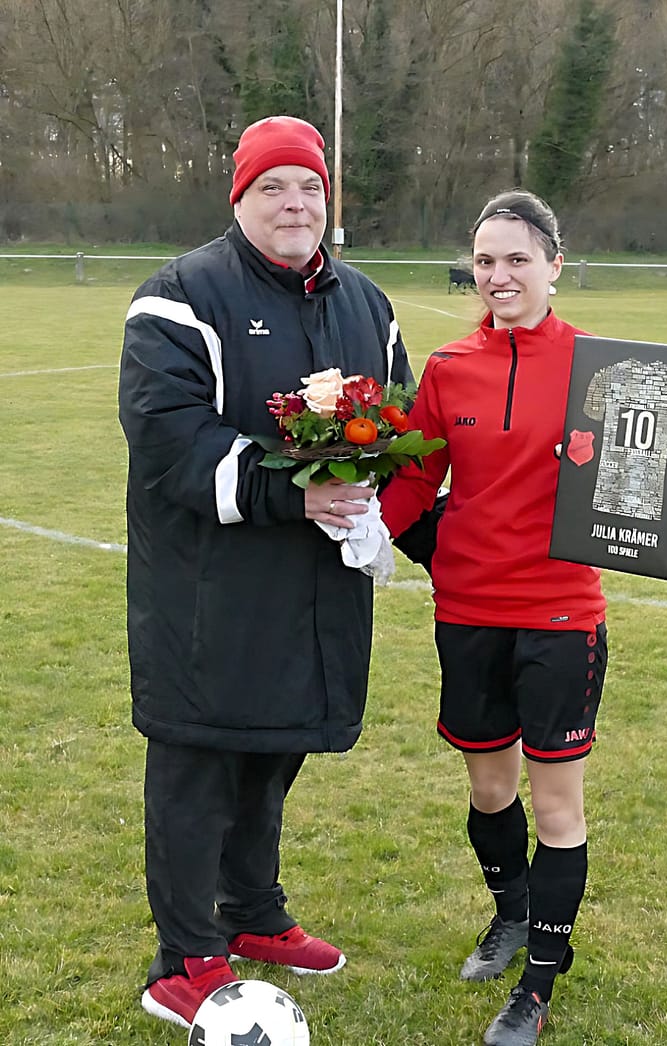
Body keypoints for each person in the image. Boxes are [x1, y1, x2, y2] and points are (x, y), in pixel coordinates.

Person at [118, 114, 414, 1030]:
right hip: (208, 594)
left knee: (272, 753)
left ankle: (251, 914)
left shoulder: (367, 303)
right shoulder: (178, 297)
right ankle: (185, 956)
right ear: (239, 198)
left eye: (311, 188)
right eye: (273, 188)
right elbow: (171, 442)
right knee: (199, 762)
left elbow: (400, 426)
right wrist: (298, 494)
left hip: (313, 592)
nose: (296, 204)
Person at [379, 190, 608, 1046]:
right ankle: (512, 917)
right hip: (469, 614)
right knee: (488, 788)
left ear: (555, 263)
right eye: (485, 261)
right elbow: (410, 481)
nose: (499, 275)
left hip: (560, 617)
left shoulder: (600, 366)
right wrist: (393, 535)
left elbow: (643, 484)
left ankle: (540, 984)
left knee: (556, 809)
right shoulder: (447, 368)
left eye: (517, 259)